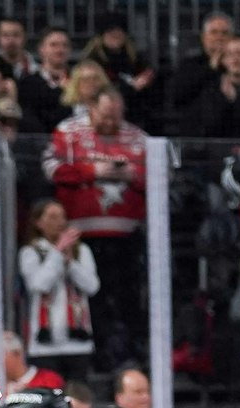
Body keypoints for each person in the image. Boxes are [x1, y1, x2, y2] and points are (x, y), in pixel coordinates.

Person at [43, 90, 145, 368]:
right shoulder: (69, 131)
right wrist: (94, 172)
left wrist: (133, 175)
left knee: (128, 300)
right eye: (105, 115)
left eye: (116, 116)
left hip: (127, 236)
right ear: (91, 108)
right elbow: (51, 168)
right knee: (92, 300)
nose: (111, 122)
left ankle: (131, 356)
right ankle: (98, 356)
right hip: (83, 235)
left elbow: (161, 172)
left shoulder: (137, 136)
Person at [18, 197, 98, 379]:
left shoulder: (81, 250)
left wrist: (70, 262)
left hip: (78, 342)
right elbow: (39, 284)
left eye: (62, 217)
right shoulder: (30, 252)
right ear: (39, 222)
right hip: (44, 346)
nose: (60, 222)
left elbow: (92, 286)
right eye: (53, 217)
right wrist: (57, 253)